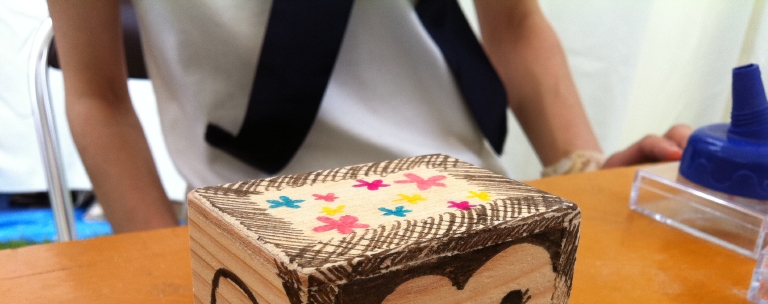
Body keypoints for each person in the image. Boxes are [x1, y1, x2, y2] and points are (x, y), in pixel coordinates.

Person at [48, 0, 691, 233]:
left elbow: (515, 25)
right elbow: (98, 95)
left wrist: (584, 175)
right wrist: (171, 284)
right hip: (256, 234)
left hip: (474, 212)